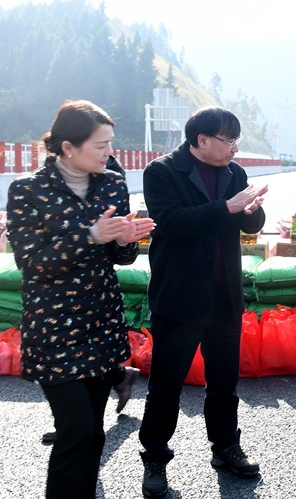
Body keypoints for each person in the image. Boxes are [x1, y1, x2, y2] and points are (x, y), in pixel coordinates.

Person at [6, 100, 155, 498]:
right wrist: (91, 236)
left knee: (93, 434)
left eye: (111, 143)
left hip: (100, 323)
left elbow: (120, 257)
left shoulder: (112, 184)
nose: (110, 153)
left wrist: (126, 240)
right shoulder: (27, 190)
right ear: (68, 147)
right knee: (75, 431)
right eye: (101, 145)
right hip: (54, 329)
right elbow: (32, 263)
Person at [138, 107, 268, 497]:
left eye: (236, 140)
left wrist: (253, 211)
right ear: (202, 140)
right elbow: (172, 223)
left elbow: (248, 225)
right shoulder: (162, 172)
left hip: (224, 297)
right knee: (166, 387)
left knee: (224, 383)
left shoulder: (235, 173)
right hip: (180, 297)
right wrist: (227, 207)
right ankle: (155, 458)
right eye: (229, 140)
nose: (234, 148)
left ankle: (226, 447)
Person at [40, 154, 140, 446]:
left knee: (87, 384)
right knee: (63, 376)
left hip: (94, 298)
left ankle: (80, 427)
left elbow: (122, 254)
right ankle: (72, 425)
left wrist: (122, 240)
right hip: (54, 301)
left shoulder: (110, 177)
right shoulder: (40, 182)